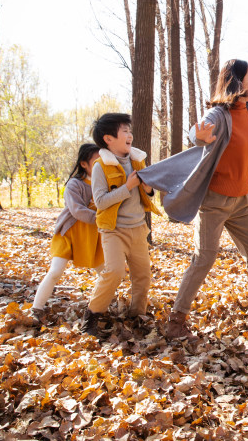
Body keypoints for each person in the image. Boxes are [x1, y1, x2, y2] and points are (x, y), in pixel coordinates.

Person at [138, 59, 248, 340]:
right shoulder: (219, 114)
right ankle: (176, 320)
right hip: (214, 201)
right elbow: (198, 132)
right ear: (238, 82)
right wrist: (198, 136)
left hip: (242, 202)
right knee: (203, 258)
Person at [82, 113, 160, 337]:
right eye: (124, 131)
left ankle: (137, 316)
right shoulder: (100, 167)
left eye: (129, 130)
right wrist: (127, 186)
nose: (129, 135)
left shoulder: (137, 160)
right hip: (113, 230)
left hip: (138, 229)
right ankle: (92, 316)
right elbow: (100, 201)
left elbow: (148, 193)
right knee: (114, 272)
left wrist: (147, 188)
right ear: (108, 139)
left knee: (143, 276)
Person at [31, 143, 103, 325]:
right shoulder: (75, 184)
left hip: (92, 237)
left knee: (106, 274)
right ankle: (36, 309)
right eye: (96, 161)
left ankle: (97, 310)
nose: (101, 164)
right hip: (69, 233)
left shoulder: (105, 184)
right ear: (84, 164)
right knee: (55, 271)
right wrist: (103, 219)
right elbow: (77, 210)